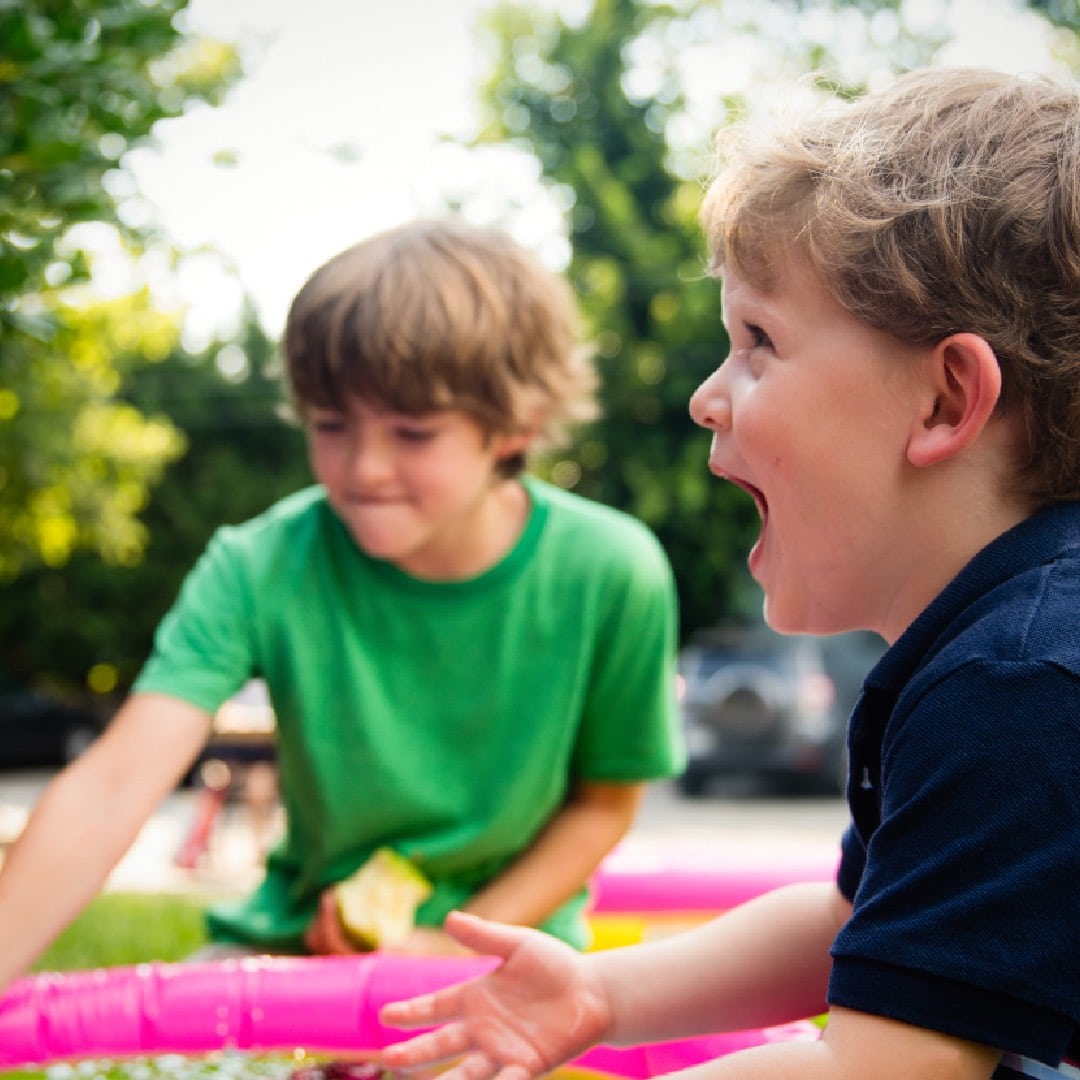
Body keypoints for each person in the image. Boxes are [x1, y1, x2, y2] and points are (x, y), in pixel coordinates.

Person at [379, 68, 1080, 1080]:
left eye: (759, 341)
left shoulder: (1021, 685)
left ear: (944, 401)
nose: (709, 397)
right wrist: (601, 994)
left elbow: (875, 1072)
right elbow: (855, 922)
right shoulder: (992, 651)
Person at [0, 217, 683, 986]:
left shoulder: (613, 570)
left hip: (510, 957)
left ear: (515, 425)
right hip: (294, 949)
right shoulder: (258, 564)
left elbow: (604, 803)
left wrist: (461, 941)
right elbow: (110, 789)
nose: (365, 468)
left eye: (414, 433)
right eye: (331, 426)